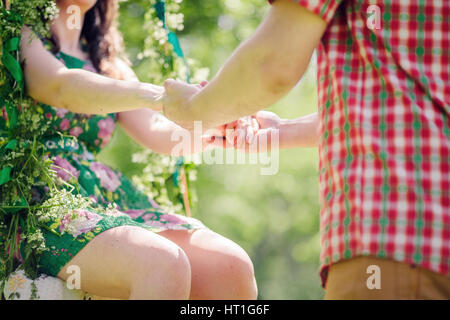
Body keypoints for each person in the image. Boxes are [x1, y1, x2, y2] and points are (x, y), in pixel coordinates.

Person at [163, 0, 450, 299]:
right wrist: (281, 131)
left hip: (398, 236)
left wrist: (195, 110)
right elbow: (409, 103)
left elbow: (272, 64)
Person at [16, 0, 257, 300]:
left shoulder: (107, 63)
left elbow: (159, 130)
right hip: (39, 199)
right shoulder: (20, 35)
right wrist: (161, 96)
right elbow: (59, 87)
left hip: (103, 198)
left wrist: (215, 123)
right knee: (163, 262)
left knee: (231, 267)